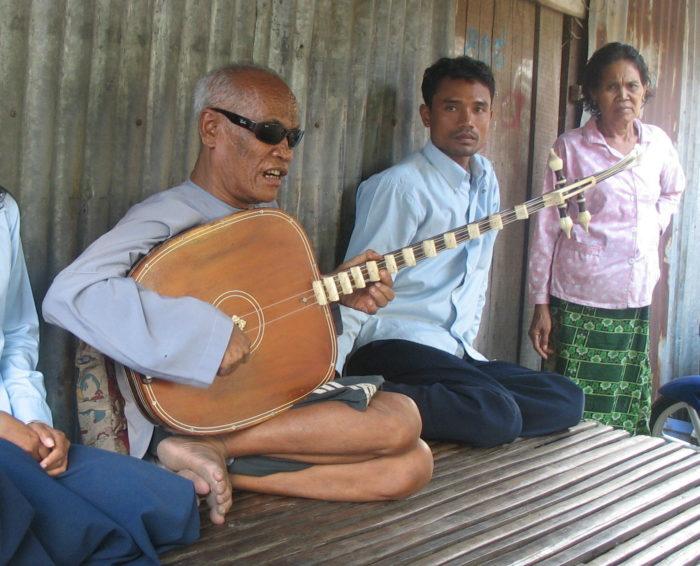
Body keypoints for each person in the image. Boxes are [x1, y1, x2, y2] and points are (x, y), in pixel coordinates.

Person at [43, 64, 433, 526]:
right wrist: (204, 333)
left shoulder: (267, 225)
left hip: (256, 409)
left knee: (415, 464)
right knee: (400, 419)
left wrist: (331, 293)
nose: (284, 152)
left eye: (293, 137)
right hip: (194, 409)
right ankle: (201, 446)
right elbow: (69, 292)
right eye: (269, 132)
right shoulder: (168, 214)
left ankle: (218, 462)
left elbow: (271, 329)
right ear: (212, 128)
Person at [337, 56, 584, 447]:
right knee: (496, 415)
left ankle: (469, 402)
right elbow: (358, 285)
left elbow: (477, 272)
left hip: (450, 349)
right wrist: (332, 371)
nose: (467, 120)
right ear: (427, 114)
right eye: (451, 107)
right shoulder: (402, 186)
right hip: (393, 344)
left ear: (491, 115)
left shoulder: (486, 181)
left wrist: (465, 353)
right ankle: (363, 392)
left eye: (479, 108)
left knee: (566, 398)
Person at [0, 187, 199, 564]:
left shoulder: (2, 209)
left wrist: (36, 425)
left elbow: (14, 337)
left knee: (164, 505)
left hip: (15, 437)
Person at [527, 42, 685, 435]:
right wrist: (540, 303)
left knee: (625, 402)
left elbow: (674, 190)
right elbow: (548, 226)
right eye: (611, 86)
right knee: (574, 407)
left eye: (632, 85)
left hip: (635, 297)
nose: (624, 95)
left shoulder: (657, 145)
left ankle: (620, 482)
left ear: (645, 89)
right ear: (594, 94)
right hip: (581, 297)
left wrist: (652, 223)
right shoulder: (571, 148)